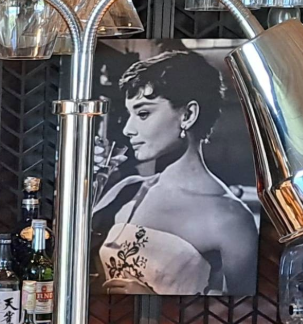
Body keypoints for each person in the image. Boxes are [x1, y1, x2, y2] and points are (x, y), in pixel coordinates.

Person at [91, 50, 257, 295]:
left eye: (143, 113)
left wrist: (151, 299)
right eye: (129, 114)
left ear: (188, 115)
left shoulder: (231, 219)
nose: (128, 129)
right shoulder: (129, 189)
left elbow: (240, 318)